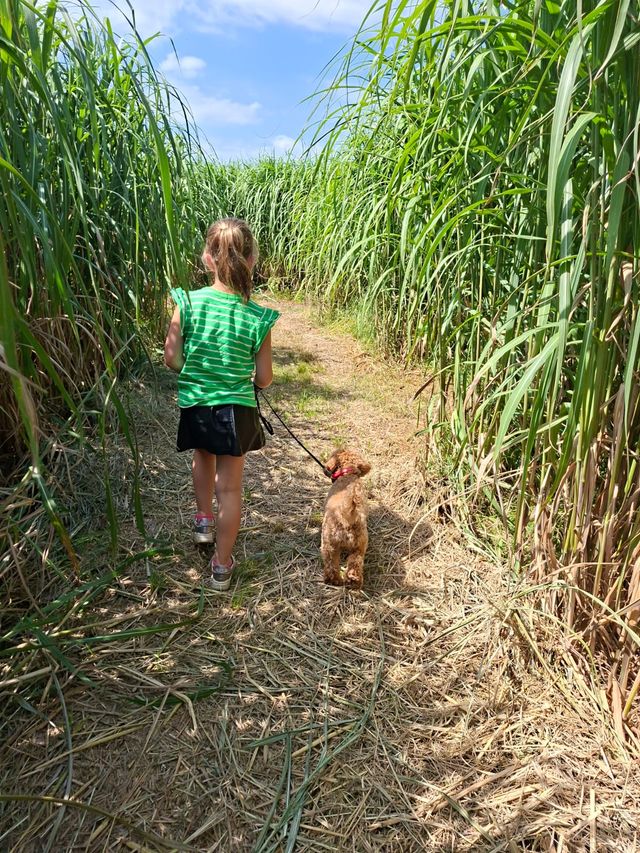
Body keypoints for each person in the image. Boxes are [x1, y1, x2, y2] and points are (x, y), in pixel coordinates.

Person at [164, 218, 279, 591]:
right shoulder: (258, 316)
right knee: (230, 490)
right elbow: (264, 379)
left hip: (197, 404)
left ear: (207, 258)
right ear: (251, 260)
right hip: (237, 411)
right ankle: (222, 568)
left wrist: (194, 370)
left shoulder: (187, 302)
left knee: (202, 458)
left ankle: (202, 521)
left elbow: (172, 358)